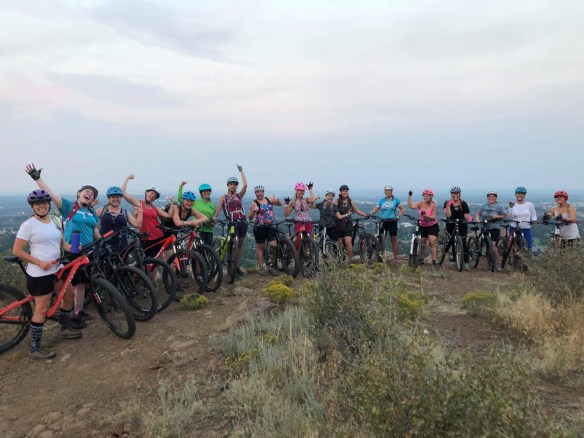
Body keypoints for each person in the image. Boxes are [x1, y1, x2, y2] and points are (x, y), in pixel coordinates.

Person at [26, 164, 99, 327]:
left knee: (82, 284)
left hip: (89, 251)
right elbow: (51, 195)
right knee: (72, 285)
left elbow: (94, 229)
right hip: (73, 250)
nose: (89, 193)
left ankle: (77, 312)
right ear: (79, 194)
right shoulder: (69, 207)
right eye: (86, 191)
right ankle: (67, 313)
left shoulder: (92, 212)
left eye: (92, 194)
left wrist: (101, 241)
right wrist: (37, 178)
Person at [13, 189, 83, 359]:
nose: (42, 206)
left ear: (49, 204)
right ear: (33, 207)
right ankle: (35, 348)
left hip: (56, 268)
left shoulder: (55, 220)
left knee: (68, 296)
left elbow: (63, 244)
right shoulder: (28, 225)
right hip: (39, 273)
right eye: (37, 204)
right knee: (42, 308)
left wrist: (74, 248)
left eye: (44, 203)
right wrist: (38, 262)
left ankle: (64, 330)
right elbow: (17, 250)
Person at [122, 174, 174, 258]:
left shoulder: (154, 207)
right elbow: (123, 192)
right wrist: (127, 178)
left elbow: (168, 215)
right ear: (146, 192)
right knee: (150, 262)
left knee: (158, 261)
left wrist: (171, 202)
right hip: (146, 238)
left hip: (159, 236)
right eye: (151, 193)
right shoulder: (138, 203)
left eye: (155, 196)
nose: (153, 196)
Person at [213, 165, 248, 278]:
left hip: (242, 221)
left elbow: (246, 185)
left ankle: (236, 268)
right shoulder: (223, 197)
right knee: (232, 247)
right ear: (228, 185)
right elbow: (218, 210)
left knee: (240, 246)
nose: (233, 186)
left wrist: (241, 171)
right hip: (232, 223)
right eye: (231, 184)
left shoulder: (238, 195)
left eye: (234, 184)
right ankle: (231, 270)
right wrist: (213, 218)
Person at [248, 185, 282, 276]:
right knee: (260, 248)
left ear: (263, 192)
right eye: (257, 192)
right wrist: (253, 212)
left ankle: (272, 266)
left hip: (270, 226)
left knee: (273, 245)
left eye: (261, 191)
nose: (259, 193)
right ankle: (261, 268)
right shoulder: (254, 203)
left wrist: (277, 199)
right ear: (255, 193)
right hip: (259, 227)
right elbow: (250, 218)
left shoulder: (269, 199)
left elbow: (280, 204)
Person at [97, 186, 142, 252]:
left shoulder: (125, 212)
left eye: (118, 197)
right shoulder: (101, 210)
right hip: (103, 246)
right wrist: (90, 206)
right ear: (109, 198)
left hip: (121, 246)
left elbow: (137, 225)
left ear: (121, 198)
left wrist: (140, 211)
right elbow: (89, 221)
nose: (115, 199)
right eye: (112, 197)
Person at [334, 184, 369, 263]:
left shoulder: (350, 201)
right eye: (343, 191)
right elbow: (332, 211)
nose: (345, 192)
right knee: (340, 243)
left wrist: (366, 215)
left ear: (347, 192)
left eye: (346, 191)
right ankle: (340, 259)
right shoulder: (337, 201)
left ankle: (350, 261)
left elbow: (356, 210)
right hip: (338, 224)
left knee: (348, 242)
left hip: (348, 224)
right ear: (340, 192)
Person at [369, 185, 404, 263]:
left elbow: (402, 209)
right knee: (381, 240)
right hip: (383, 221)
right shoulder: (382, 200)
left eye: (389, 190)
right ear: (384, 191)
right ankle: (380, 257)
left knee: (393, 240)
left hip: (392, 221)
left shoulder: (396, 200)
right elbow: (376, 209)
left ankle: (395, 258)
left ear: (391, 191)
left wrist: (398, 216)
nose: (387, 192)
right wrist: (371, 213)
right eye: (386, 190)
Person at [407, 189, 440, 269]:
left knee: (432, 243)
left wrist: (426, 216)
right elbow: (411, 206)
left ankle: (434, 261)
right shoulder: (420, 204)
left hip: (432, 226)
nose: (425, 197)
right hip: (423, 226)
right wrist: (410, 196)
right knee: (422, 243)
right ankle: (421, 259)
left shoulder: (434, 205)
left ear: (431, 196)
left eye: (427, 195)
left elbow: (434, 217)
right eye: (424, 195)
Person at [476, 190, 507, 270]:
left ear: (496, 198)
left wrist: (496, 216)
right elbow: (478, 213)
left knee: (493, 245)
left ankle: (498, 262)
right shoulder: (484, 206)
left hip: (495, 227)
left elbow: (505, 215)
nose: (491, 198)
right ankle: (489, 262)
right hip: (485, 227)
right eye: (489, 197)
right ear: (487, 198)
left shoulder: (499, 206)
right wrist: (477, 219)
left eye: (493, 197)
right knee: (487, 245)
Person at [443, 186, 473, 270]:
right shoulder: (447, 203)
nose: (454, 195)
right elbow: (448, 215)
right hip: (451, 225)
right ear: (451, 194)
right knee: (452, 242)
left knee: (463, 242)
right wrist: (449, 205)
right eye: (453, 193)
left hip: (461, 225)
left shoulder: (463, 203)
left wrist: (468, 218)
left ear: (459, 194)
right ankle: (455, 261)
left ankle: (466, 262)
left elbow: (466, 215)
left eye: (456, 193)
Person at [177, 182, 215, 246]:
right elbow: (180, 200)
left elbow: (213, 217)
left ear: (210, 192)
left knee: (207, 252)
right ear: (201, 193)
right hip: (198, 230)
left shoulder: (213, 205)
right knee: (197, 252)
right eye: (204, 191)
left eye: (208, 191)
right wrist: (181, 186)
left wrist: (213, 222)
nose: (206, 192)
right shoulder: (195, 202)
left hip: (209, 230)